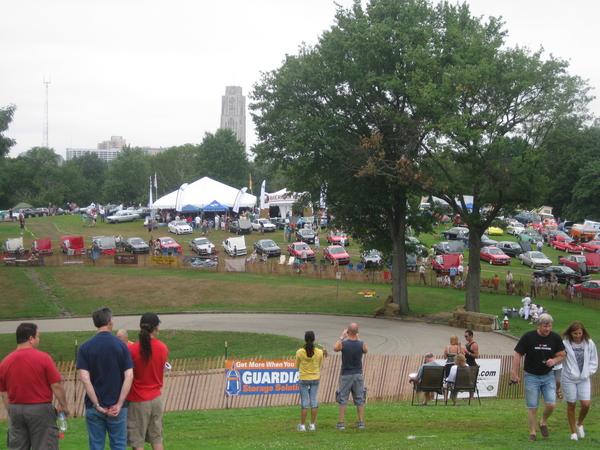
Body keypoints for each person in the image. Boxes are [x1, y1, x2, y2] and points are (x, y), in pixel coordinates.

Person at [0, 323, 70, 450]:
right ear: (31, 339)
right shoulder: (43, 358)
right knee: (45, 445)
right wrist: (64, 406)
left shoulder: (5, 362)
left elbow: (4, 393)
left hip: (16, 409)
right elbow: (57, 385)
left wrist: (11, 411)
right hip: (40, 409)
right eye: (38, 336)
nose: (39, 339)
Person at [77, 307, 134, 450]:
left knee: (96, 445)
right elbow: (129, 375)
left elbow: (85, 378)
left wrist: (97, 404)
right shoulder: (121, 345)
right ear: (110, 322)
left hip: (94, 406)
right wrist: (120, 403)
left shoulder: (85, 347)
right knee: (119, 445)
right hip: (117, 405)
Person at [510, 313, 566, 441]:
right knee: (533, 406)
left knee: (551, 404)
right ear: (539, 325)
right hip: (531, 376)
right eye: (545, 326)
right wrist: (514, 372)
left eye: (550, 326)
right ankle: (533, 432)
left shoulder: (555, 338)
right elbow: (518, 354)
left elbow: (562, 355)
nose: (547, 329)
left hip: (548, 376)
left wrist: (554, 360)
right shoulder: (528, 337)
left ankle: (543, 422)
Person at [126, 313, 169, 450]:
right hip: (156, 398)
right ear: (156, 328)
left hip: (138, 399)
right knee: (156, 440)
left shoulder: (131, 349)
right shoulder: (163, 348)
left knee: (137, 442)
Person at [561, 321, 598, 441]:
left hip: (584, 378)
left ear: (583, 332)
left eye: (579, 333)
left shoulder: (589, 343)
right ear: (571, 333)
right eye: (575, 333)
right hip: (569, 378)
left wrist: (589, 371)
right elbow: (561, 358)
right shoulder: (565, 344)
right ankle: (573, 433)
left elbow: (594, 359)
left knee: (586, 404)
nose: (577, 336)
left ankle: (579, 424)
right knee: (571, 404)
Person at [333, 323, 368, 430]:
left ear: (348, 331)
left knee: (343, 397)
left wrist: (342, 337)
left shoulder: (344, 344)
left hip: (346, 374)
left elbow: (335, 348)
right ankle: (361, 421)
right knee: (359, 397)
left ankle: (341, 422)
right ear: (357, 332)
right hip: (358, 374)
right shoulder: (361, 344)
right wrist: (358, 338)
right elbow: (365, 350)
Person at [295, 331, 324, 431]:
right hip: (315, 377)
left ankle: (302, 425)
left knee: (304, 401)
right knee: (313, 400)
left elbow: (297, 365)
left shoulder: (299, 352)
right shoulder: (319, 352)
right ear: (314, 339)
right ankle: (312, 424)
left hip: (304, 378)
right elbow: (320, 364)